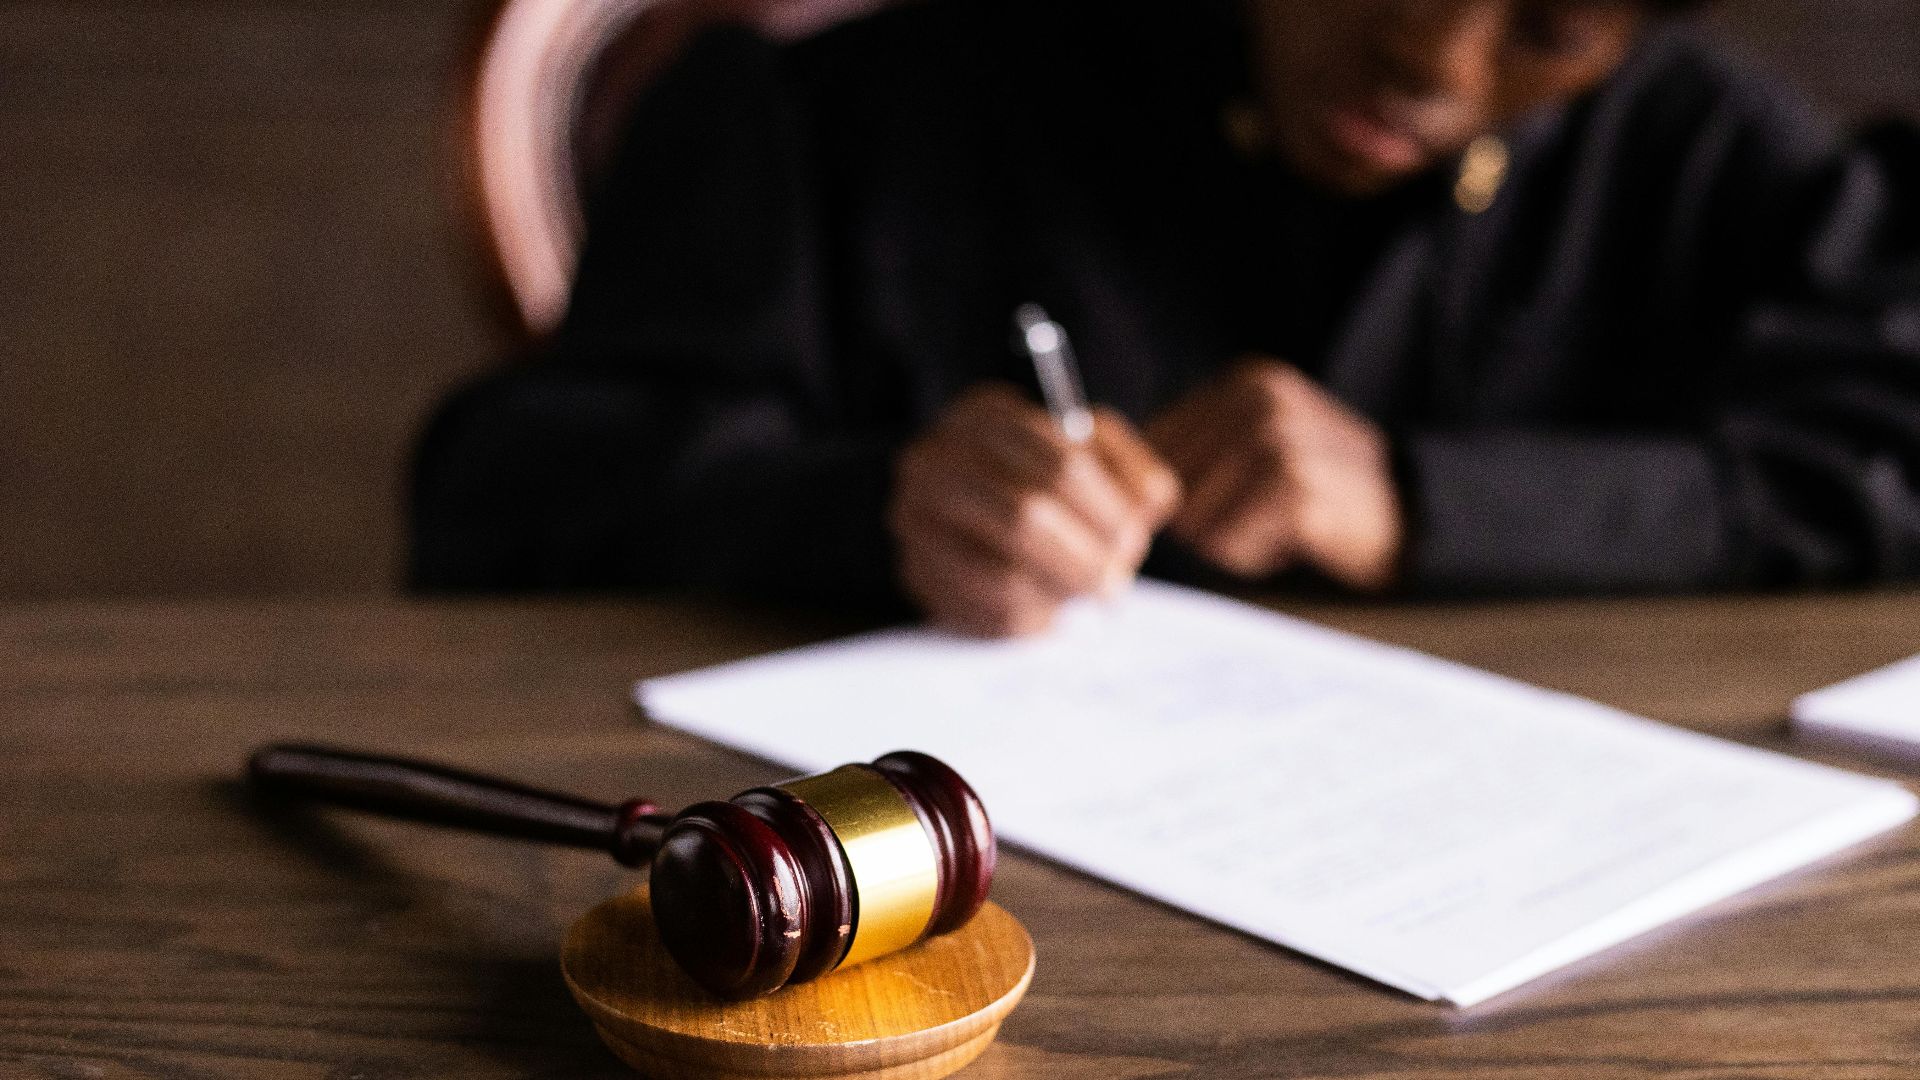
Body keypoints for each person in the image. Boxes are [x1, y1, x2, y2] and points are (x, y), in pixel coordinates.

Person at [413, 0, 1920, 636]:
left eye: (1548, 26)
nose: (1434, 58)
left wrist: (1426, 502)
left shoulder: (1698, 149)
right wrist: (871, 509)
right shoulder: (862, 107)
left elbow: (1883, 464)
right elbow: (504, 493)